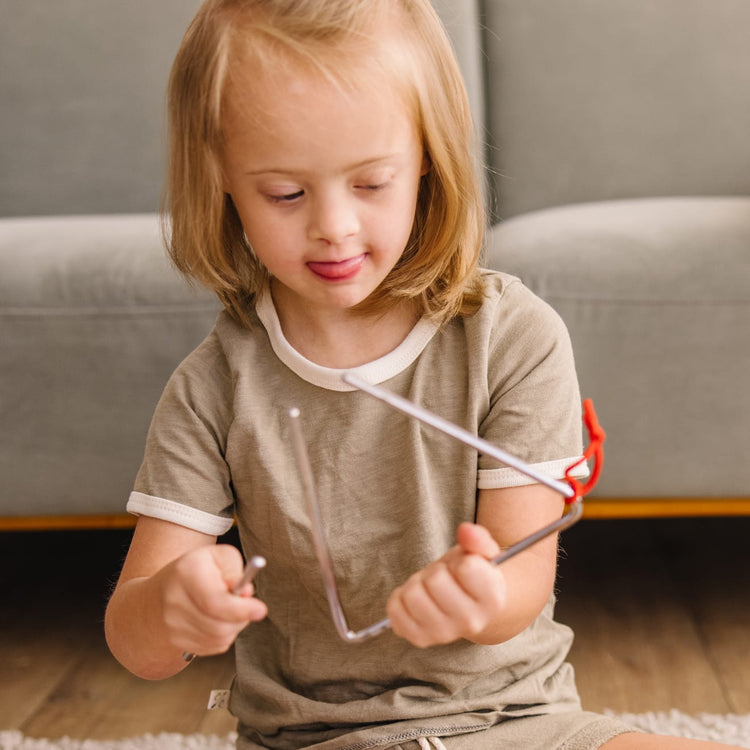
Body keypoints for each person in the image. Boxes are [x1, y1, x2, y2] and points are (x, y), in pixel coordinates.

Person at [104, 2, 740, 749]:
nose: (333, 225)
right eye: (286, 193)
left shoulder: (513, 339)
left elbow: (521, 578)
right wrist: (170, 610)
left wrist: (482, 595)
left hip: (518, 724)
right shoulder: (213, 388)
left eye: (371, 183)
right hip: (311, 740)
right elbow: (136, 641)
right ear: (220, 175)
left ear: (428, 155)